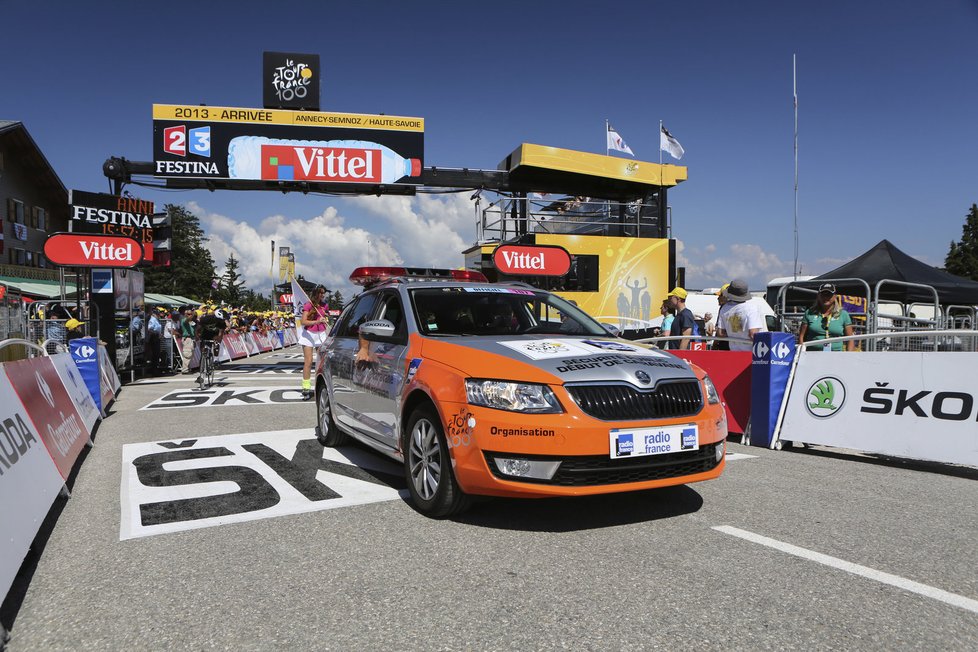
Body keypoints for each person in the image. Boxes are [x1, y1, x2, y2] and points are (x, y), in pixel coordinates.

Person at [798, 283, 855, 351]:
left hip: (836, 355)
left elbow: (850, 339)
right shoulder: (809, 313)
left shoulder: (843, 314)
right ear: (818, 296)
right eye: (823, 295)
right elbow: (801, 336)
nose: (825, 298)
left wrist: (848, 356)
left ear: (834, 296)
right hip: (813, 355)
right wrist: (801, 354)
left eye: (829, 295)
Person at [716, 279, 766, 351]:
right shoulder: (751, 308)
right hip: (750, 353)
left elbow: (720, 333)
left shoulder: (724, 308)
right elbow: (753, 334)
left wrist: (733, 336)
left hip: (733, 351)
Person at [299, 285, 329, 400]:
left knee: (321, 362)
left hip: (321, 334)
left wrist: (325, 318)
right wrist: (317, 321)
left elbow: (325, 317)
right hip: (309, 335)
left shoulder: (325, 305)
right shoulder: (308, 305)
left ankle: (321, 386)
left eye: (324, 293)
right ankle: (306, 388)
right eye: (321, 293)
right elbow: (303, 321)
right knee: (308, 361)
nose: (322, 295)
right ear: (316, 293)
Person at [195, 308, 228, 383]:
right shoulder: (206, 319)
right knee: (203, 352)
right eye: (221, 320)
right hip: (205, 334)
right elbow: (197, 329)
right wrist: (197, 336)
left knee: (217, 343)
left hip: (214, 335)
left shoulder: (222, 323)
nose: (222, 321)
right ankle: (201, 374)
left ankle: (216, 359)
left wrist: (217, 343)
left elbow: (220, 334)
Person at [179, 308, 196, 373]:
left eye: (191, 314)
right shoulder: (184, 320)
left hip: (191, 338)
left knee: (191, 354)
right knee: (187, 354)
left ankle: (188, 368)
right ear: (185, 314)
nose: (190, 315)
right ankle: (185, 369)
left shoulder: (191, 322)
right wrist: (191, 315)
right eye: (189, 314)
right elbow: (187, 319)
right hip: (187, 338)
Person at [145, 308, 162, 374]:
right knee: (155, 354)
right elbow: (149, 329)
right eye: (157, 314)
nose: (158, 315)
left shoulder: (156, 320)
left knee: (157, 354)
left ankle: (156, 369)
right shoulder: (152, 319)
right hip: (153, 338)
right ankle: (154, 370)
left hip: (157, 337)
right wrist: (156, 334)